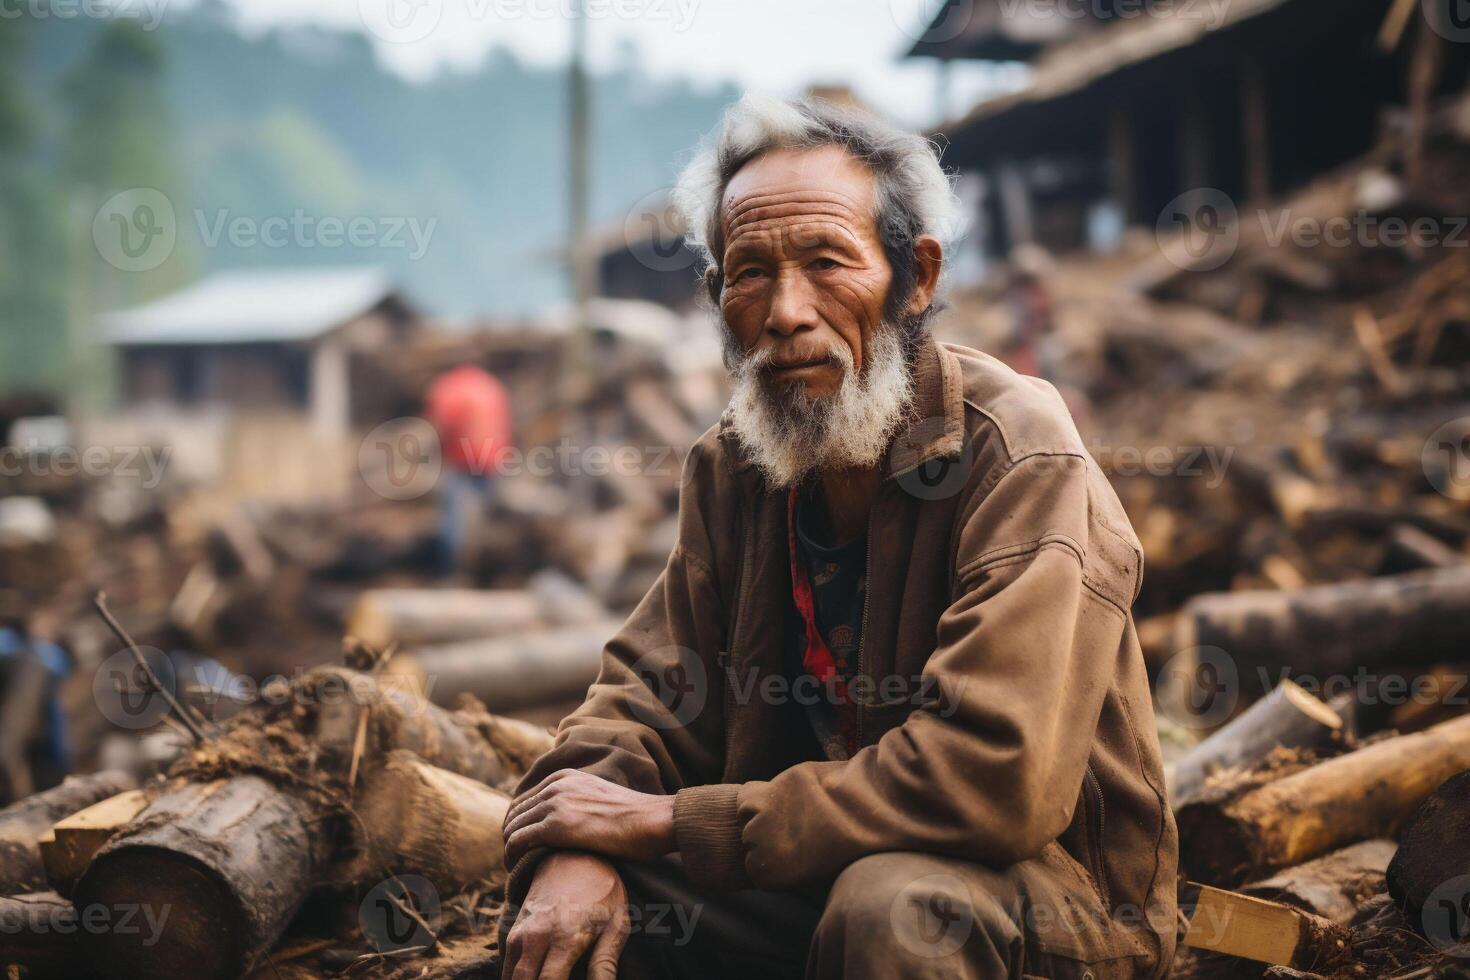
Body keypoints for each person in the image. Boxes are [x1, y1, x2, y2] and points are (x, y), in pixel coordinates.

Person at [499, 96, 1178, 980]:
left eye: (827, 263)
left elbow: (991, 778)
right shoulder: (736, 470)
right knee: (575, 896)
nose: (787, 311)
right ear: (718, 300)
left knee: (894, 908)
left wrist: (667, 822)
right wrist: (577, 846)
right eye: (749, 274)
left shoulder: (1015, 452)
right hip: (812, 870)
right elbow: (645, 695)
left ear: (916, 278)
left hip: (1053, 904)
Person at [424, 363, 511, 577]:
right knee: (484, 516)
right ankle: (482, 572)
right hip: (492, 457)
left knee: (452, 520)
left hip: (463, 458)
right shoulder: (492, 386)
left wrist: (436, 455)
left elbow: (441, 426)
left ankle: (450, 573)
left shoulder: (449, 388)